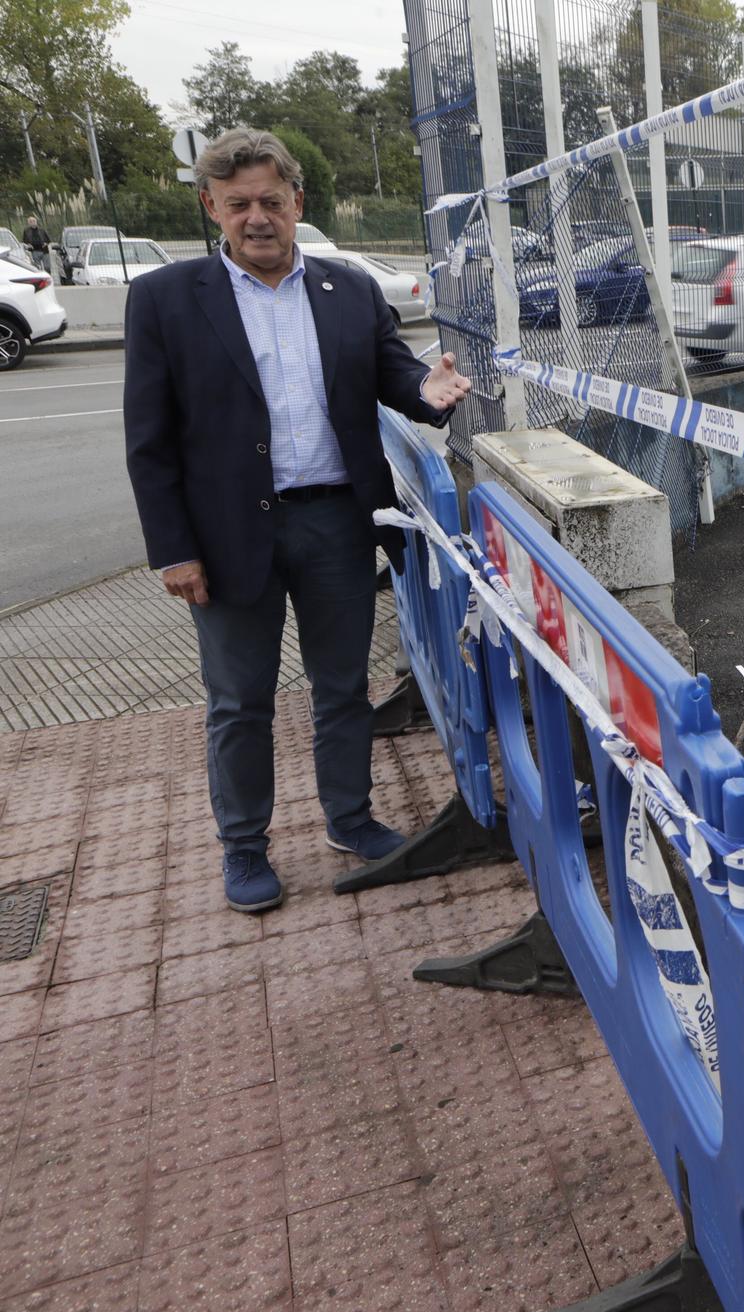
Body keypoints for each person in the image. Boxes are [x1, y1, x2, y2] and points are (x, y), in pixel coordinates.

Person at [123, 127, 472, 914]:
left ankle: (349, 818)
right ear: (211, 205)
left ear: (298, 205)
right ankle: (244, 847)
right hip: (226, 538)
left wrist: (431, 389)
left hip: (336, 525)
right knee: (239, 700)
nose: (256, 217)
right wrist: (172, 550)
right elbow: (148, 443)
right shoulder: (165, 300)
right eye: (238, 203)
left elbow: (396, 377)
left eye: (271, 202)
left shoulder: (348, 290)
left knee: (342, 687)